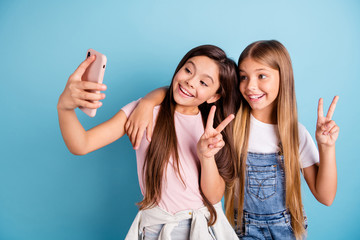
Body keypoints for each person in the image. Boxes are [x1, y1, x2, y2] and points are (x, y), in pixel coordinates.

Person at [125, 40, 339, 240]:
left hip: (288, 231)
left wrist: (326, 147)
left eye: (261, 76)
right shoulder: (228, 124)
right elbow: (183, 95)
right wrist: (147, 102)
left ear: (283, 78)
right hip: (241, 232)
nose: (250, 86)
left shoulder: (295, 134)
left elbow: (326, 197)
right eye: (244, 77)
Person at [57, 45, 240, 239]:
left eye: (204, 82)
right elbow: (81, 144)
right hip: (156, 229)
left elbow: (213, 197)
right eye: (188, 70)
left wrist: (206, 156)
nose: (190, 82)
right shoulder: (143, 111)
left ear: (215, 96)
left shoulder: (212, 129)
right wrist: (64, 107)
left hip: (201, 229)